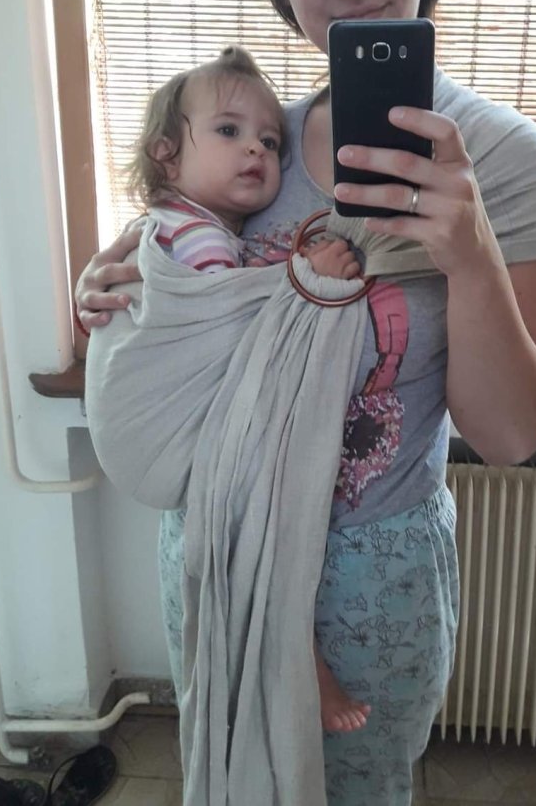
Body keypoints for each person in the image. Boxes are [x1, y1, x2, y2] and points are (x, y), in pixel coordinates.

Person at [76, 0, 536, 805]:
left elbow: (513, 433)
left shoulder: (506, 158)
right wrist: (105, 291)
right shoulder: (245, 145)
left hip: (371, 578)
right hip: (222, 550)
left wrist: (469, 254)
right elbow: (176, 304)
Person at [123, 43, 372, 734]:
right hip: (210, 426)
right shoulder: (199, 241)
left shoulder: (167, 227)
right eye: (229, 131)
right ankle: (304, 660)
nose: (256, 149)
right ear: (167, 154)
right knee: (269, 531)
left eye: (269, 140)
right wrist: (309, 276)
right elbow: (242, 336)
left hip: (201, 435)